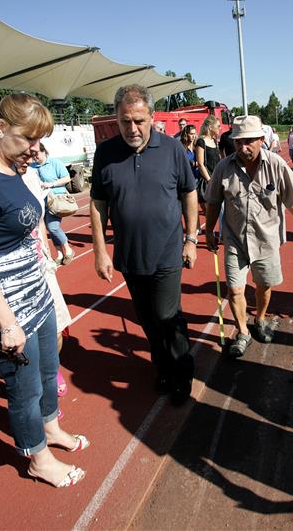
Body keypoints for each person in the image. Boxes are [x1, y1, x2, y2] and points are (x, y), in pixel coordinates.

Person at [0, 93, 88, 488]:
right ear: (0, 128)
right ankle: (37, 457)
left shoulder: (11, 170)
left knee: (47, 375)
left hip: (37, 296)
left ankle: (52, 430)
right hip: (7, 312)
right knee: (23, 391)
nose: (37, 149)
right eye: (30, 139)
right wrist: (7, 324)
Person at [90, 84, 198, 406]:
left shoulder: (172, 149)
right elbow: (98, 203)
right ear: (117, 119)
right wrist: (100, 251)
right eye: (125, 121)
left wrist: (191, 239)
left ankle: (181, 373)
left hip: (167, 253)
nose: (132, 128)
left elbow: (188, 193)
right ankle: (162, 368)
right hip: (129, 255)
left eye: (139, 120)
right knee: (148, 319)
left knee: (167, 315)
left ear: (152, 117)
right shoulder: (105, 153)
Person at [204, 115, 293, 357]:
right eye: (238, 142)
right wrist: (208, 230)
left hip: (266, 240)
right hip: (234, 241)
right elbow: (213, 202)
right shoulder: (223, 168)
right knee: (235, 290)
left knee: (264, 285)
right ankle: (243, 332)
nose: (243, 147)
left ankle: (259, 319)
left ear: (262, 139)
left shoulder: (276, 165)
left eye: (249, 141)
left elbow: (292, 199)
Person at [16, 159, 72, 415]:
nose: (36, 150)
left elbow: (38, 219)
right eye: (30, 139)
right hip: (13, 275)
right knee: (25, 341)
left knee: (56, 329)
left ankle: (52, 373)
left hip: (42, 268)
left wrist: (48, 255)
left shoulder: (31, 177)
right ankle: (39, 395)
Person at [32, 143, 74, 266]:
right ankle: (60, 254)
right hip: (41, 200)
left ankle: (68, 249)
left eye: (37, 154)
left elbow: (67, 178)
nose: (35, 157)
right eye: (33, 155)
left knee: (53, 227)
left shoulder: (55, 163)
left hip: (55, 199)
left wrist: (51, 184)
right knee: (48, 228)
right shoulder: (32, 166)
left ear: (44, 151)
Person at [181, 124, 201, 234]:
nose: (193, 136)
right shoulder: (182, 147)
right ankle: (193, 228)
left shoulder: (196, 146)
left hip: (198, 178)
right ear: (186, 134)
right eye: (191, 134)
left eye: (194, 134)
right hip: (188, 180)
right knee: (189, 206)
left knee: (199, 205)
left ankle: (198, 227)